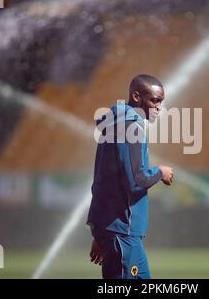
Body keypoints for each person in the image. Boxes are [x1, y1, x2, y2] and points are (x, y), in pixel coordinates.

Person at [86, 74, 174, 279]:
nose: (159, 107)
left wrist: (102, 232)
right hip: (123, 232)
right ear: (136, 97)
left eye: (161, 101)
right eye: (154, 100)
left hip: (116, 230)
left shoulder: (116, 125)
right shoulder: (130, 127)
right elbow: (136, 181)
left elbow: (102, 181)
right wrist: (161, 172)